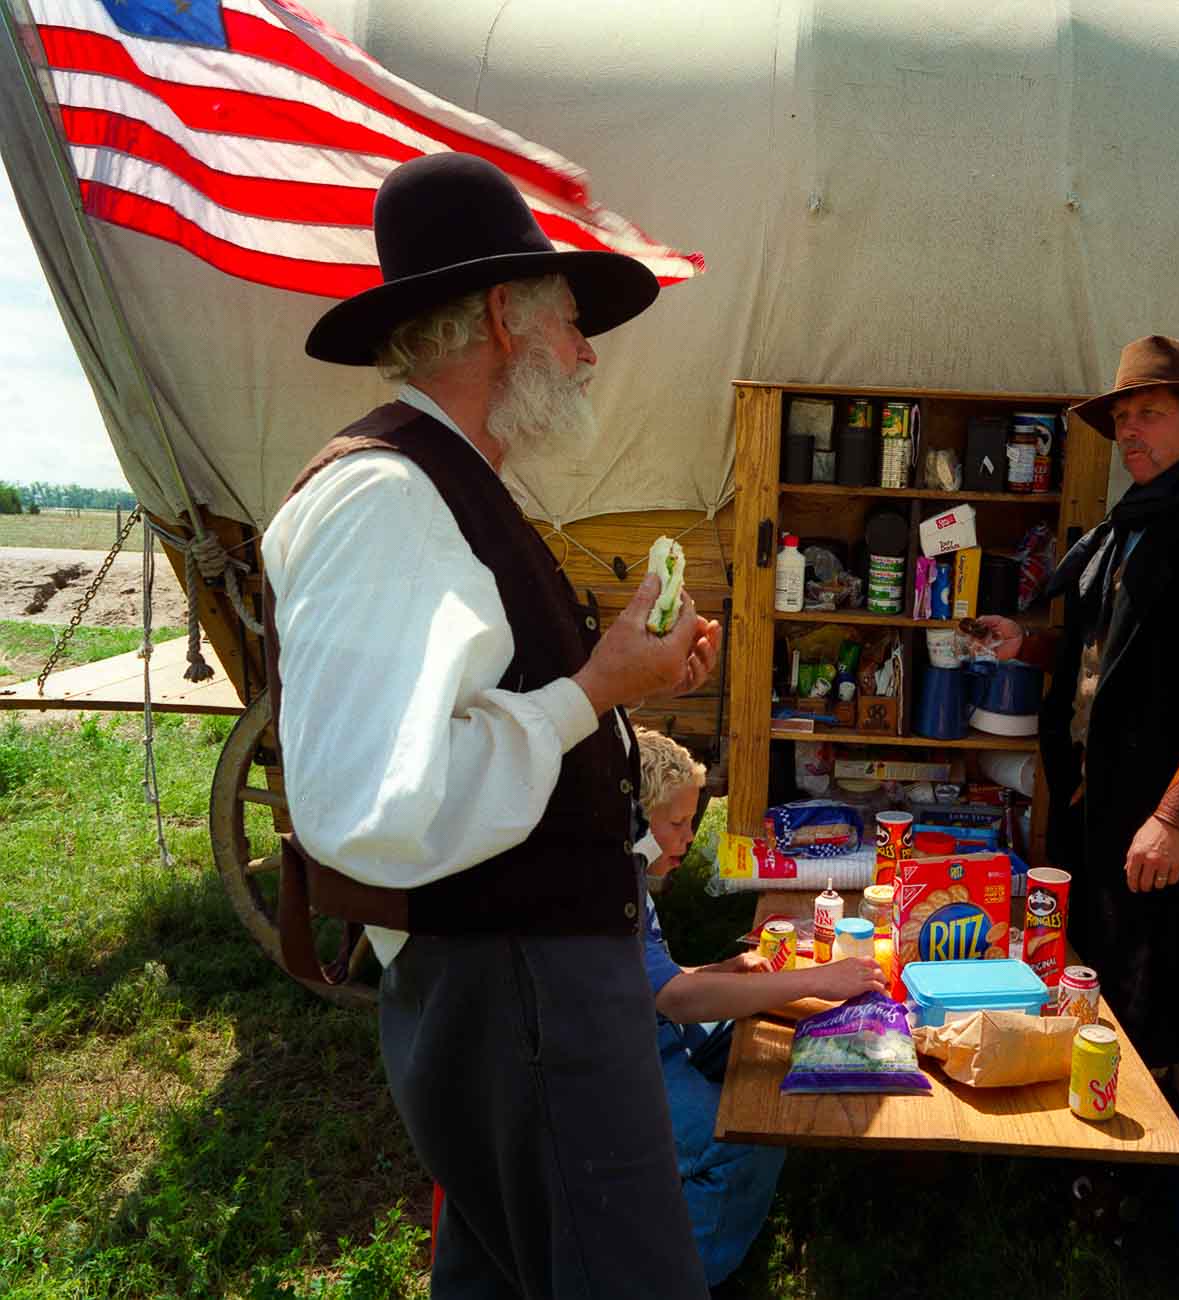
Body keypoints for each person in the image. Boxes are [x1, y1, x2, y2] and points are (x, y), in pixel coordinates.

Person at [261, 152, 722, 1298]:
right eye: (571, 319)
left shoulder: (446, 481)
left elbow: (485, 713)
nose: (587, 349)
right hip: (516, 992)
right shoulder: (385, 497)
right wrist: (595, 690)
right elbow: (373, 808)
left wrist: (620, 685)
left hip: (528, 984)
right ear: (507, 318)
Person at [976, 335, 1179, 1068]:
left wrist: (1178, 816)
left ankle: (1152, 1130)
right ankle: (1101, 1073)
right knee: (1109, 957)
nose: (1129, 433)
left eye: (1149, 414)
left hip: (1170, 797)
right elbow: (1112, 659)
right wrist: (1024, 648)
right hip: (1107, 790)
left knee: (1167, 971)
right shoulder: (1131, 525)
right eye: (1122, 419)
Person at [631, 728, 885, 1287]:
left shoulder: (626, 877)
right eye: (676, 824)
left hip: (642, 1028)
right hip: (616, 1064)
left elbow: (651, 983)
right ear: (633, 819)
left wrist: (724, 971)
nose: (688, 838)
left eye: (692, 822)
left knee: (760, 1033)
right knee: (747, 1144)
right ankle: (685, 1280)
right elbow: (672, 997)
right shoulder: (612, 887)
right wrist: (818, 979)